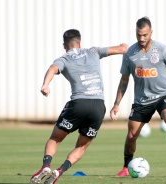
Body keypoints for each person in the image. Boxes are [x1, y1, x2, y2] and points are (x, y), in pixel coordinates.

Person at [30, 29, 128, 184]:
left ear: (64, 45)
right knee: (82, 146)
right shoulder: (93, 51)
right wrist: (123, 46)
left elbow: (52, 68)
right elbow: (123, 49)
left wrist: (45, 85)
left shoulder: (63, 59)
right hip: (98, 106)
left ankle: (46, 166)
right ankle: (60, 170)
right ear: (80, 42)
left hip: (78, 104)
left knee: (55, 138)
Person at [110, 17, 166, 177]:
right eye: (139, 35)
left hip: (164, 95)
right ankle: (125, 168)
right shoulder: (130, 53)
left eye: (145, 35)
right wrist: (116, 103)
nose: (142, 38)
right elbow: (124, 80)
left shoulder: (162, 50)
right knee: (131, 135)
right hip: (142, 100)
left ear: (151, 32)